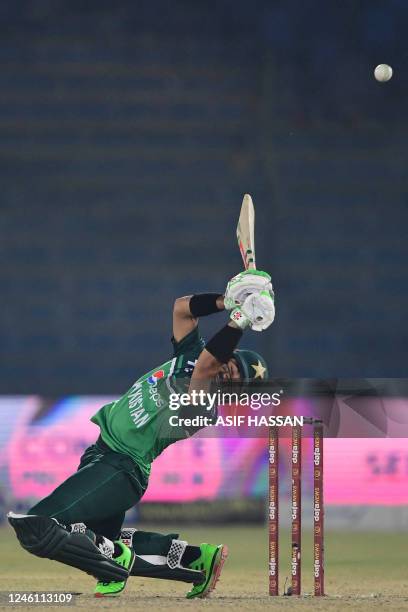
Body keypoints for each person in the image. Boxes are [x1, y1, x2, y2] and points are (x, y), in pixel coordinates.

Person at [8, 270, 275, 598]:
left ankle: (110, 563)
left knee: (38, 527)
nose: (227, 371)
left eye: (235, 379)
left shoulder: (204, 403)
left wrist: (240, 319)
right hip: (101, 452)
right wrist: (226, 301)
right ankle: (198, 560)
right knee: (105, 539)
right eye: (232, 364)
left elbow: (207, 365)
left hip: (122, 469)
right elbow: (181, 309)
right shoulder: (189, 355)